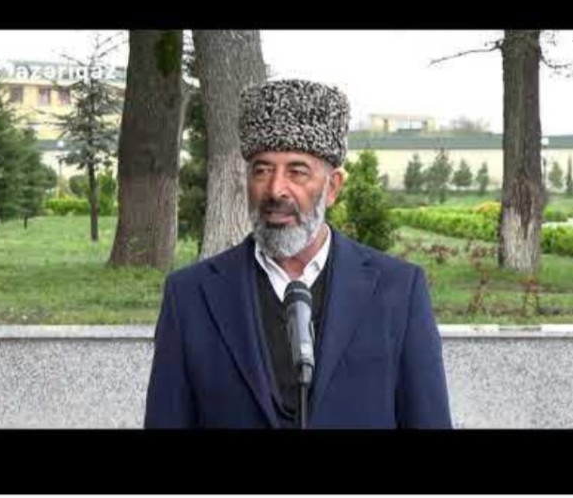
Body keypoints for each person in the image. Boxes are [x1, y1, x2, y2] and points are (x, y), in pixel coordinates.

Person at [144, 79, 451, 429]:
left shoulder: (399, 291)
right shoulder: (189, 297)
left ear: (332, 187)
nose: (276, 189)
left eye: (297, 171)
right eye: (262, 170)